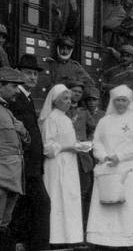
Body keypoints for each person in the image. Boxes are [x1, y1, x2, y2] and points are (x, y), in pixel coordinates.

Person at [87, 85, 133, 249]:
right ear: (112, 101)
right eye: (117, 100)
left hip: (130, 168)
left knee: (130, 203)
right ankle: (107, 239)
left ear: (129, 101)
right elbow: (97, 141)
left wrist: (120, 156)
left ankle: (132, 239)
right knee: (108, 203)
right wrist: (103, 156)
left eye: (124, 100)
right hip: (108, 167)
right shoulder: (104, 121)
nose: (120, 103)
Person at [10, 55, 50, 251]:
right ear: (19, 74)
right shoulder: (16, 97)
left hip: (32, 165)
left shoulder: (26, 97)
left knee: (25, 207)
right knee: (41, 204)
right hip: (24, 164)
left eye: (35, 73)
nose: (33, 77)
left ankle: (23, 243)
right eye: (28, 73)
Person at [39, 84, 85, 246]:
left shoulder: (65, 118)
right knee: (58, 198)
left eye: (68, 98)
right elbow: (47, 147)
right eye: (64, 99)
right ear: (55, 101)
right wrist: (68, 147)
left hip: (69, 164)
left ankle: (70, 237)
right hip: (57, 165)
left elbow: (67, 140)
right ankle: (56, 238)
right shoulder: (51, 119)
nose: (68, 101)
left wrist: (77, 144)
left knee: (70, 199)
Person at [0, 67, 30, 250]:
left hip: (13, 179)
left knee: (4, 225)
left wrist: (23, 131)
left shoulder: (7, 112)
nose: (18, 91)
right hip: (2, 179)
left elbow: (25, 142)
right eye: (13, 86)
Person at [66, 80, 95, 232]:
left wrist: (89, 140)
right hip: (67, 156)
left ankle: (82, 226)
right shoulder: (61, 110)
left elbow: (93, 129)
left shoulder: (84, 113)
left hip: (83, 158)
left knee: (84, 190)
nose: (76, 94)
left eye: (79, 92)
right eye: (74, 90)